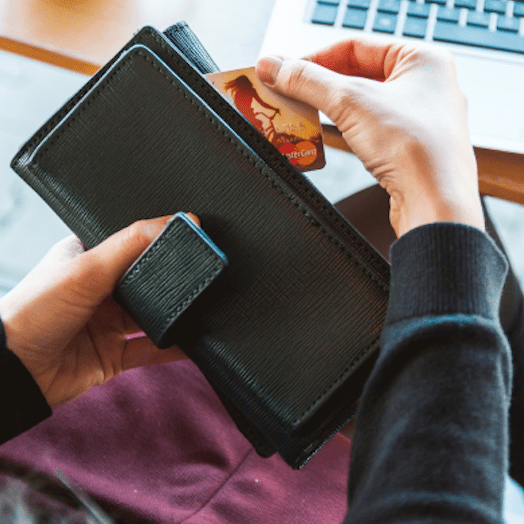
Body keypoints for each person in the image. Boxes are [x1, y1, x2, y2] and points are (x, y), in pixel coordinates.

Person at [0, 36, 520, 522]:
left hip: (79, 403)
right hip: (211, 437)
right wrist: (443, 214)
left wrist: (14, 372)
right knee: (451, 282)